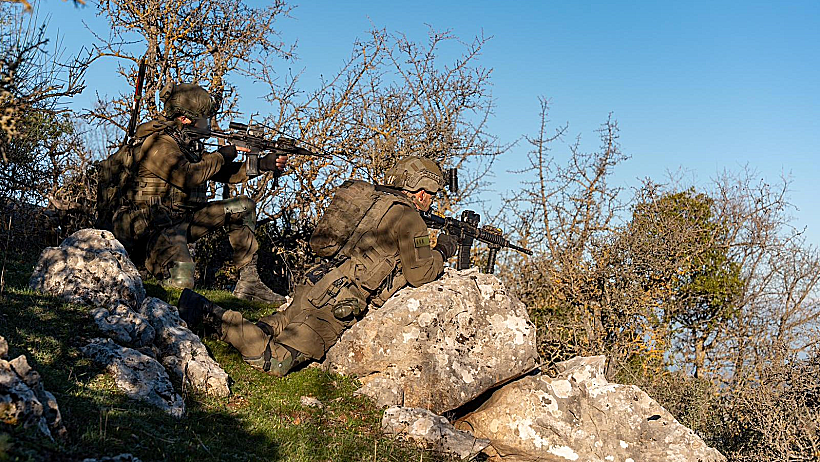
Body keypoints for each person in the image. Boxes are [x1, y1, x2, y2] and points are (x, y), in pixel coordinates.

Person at [178, 156, 459, 377]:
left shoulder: (374, 200)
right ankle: (208, 313)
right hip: (336, 301)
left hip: (316, 283)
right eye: (431, 195)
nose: (430, 201)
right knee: (275, 361)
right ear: (422, 192)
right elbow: (421, 273)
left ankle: (212, 318)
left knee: (275, 325)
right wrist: (443, 250)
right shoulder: (410, 218)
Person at [113, 82, 288, 303]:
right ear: (185, 119)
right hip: (153, 230)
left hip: (183, 221)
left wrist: (263, 165)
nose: (208, 124)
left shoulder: (188, 145)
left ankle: (249, 284)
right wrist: (225, 153)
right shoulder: (157, 145)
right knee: (182, 281)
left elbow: (222, 172)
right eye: (203, 119)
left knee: (242, 207)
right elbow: (188, 177)